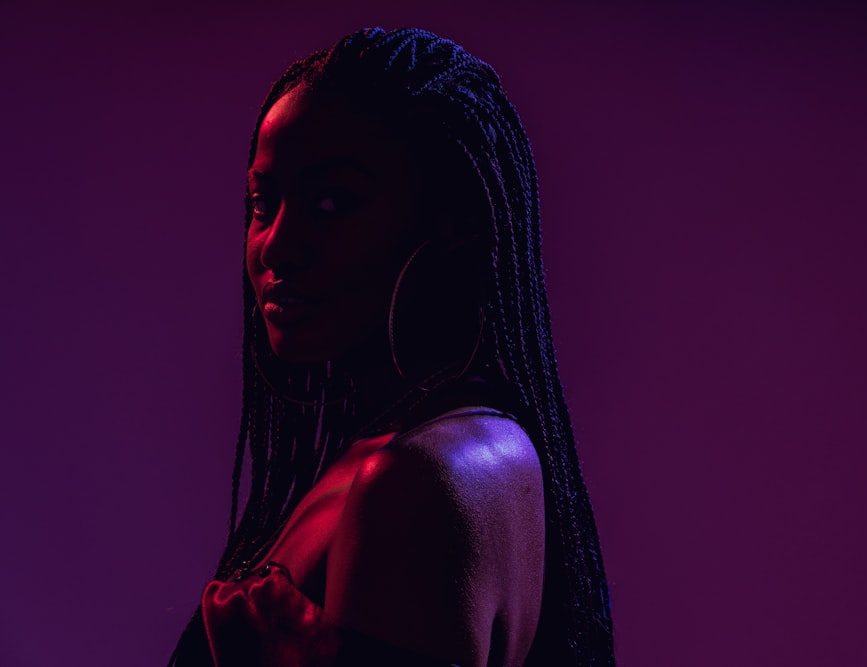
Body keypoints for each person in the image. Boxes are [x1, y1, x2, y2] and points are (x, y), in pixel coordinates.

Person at [169, 26, 614, 667]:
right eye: (263, 203)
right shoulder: (461, 446)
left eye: (331, 202)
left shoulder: (419, 478)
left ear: (449, 220)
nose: (277, 246)